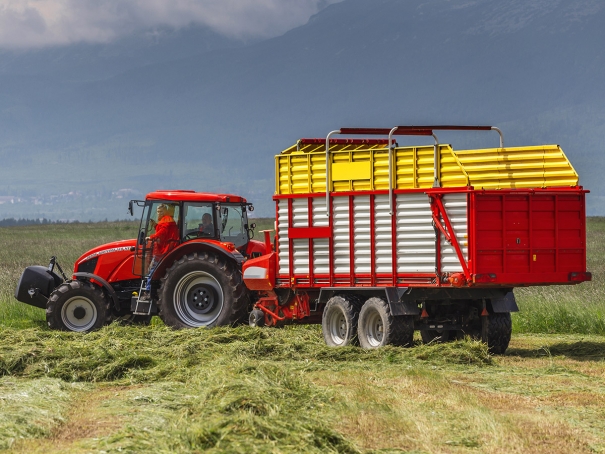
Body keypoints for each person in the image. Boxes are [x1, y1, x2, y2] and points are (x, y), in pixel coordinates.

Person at [141, 204, 179, 298]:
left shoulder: (166, 219)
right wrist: (155, 225)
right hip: (166, 247)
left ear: (165, 212)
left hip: (163, 249)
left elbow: (163, 231)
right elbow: (163, 230)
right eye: (158, 211)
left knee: (152, 270)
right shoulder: (167, 220)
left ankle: (148, 290)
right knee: (152, 268)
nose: (159, 213)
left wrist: (151, 237)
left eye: (161, 211)